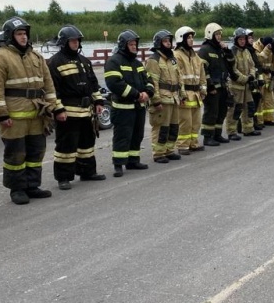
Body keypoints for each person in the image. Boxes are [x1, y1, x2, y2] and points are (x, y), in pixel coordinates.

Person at [0, 16, 65, 204]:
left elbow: (49, 85)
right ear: (10, 36)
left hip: (37, 115)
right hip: (14, 116)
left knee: (36, 152)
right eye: (19, 34)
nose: (23, 37)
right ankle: (17, 189)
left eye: (25, 33)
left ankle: (32, 185)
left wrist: (54, 108)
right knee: (16, 154)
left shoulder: (36, 57)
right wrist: (1, 115)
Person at [47, 25, 106, 190]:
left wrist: (99, 102)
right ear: (64, 42)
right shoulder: (55, 62)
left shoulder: (84, 61)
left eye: (77, 40)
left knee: (87, 145)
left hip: (86, 112)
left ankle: (87, 172)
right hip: (68, 112)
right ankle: (63, 178)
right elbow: (53, 90)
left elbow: (93, 84)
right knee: (66, 147)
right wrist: (58, 109)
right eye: (72, 40)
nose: (75, 43)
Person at [104, 29, 154, 177]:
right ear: (123, 45)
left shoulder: (138, 63)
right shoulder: (114, 61)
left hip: (138, 108)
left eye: (135, 44)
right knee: (122, 136)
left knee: (137, 135)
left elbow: (149, 80)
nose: (134, 47)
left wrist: (147, 92)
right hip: (122, 108)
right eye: (131, 44)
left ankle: (133, 160)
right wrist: (137, 94)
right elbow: (114, 83)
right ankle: (118, 164)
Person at [145, 30, 183, 163]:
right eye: (165, 41)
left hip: (174, 98)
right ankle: (159, 153)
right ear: (158, 43)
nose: (168, 44)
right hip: (162, 100)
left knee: (173, 127)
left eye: (169, 41)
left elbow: (179, 77)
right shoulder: (153, 60)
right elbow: (152, 82)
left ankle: (169, 150)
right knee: (161, 127)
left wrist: (182, 95)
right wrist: (156, 101)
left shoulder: (172, 59)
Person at [173, 26, 206, 154]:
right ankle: (182, 146)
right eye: (189, 38)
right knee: (185, 122)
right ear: (181, 39)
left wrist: (203, 90)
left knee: (196, 122)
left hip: (196, 95)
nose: (192, 40)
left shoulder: (195, 56)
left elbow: (202, 75)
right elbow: (177, 76)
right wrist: (181, 95)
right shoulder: (177, 55)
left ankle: (193, 143)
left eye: (192, 37)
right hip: (185, 94)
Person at [198, 22, 231, 146]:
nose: (219, 37)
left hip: (222, 86)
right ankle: (207, 137)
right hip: (212, 88)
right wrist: (209, 86)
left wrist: (227, 52)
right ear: (210, 34)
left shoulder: (220, 49)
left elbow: (230, 65)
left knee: (221, 111)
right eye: (216, 34)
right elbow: (203, 70)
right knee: (211, 112)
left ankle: (217, 134)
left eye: (219, 34)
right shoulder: (204, 50)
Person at [225, 27, 259, 139]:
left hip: (247, 85)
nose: (243, 41)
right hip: (236, 86)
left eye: (244, 39)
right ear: (236, 40)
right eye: (240, 39)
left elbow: (252, 66)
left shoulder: (247, 51)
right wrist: (245, 78)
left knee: (249, 107)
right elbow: (233, 70)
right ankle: (231, 132)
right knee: (235, 109)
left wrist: (252, 76)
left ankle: (248, 129)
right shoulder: (233, 52)